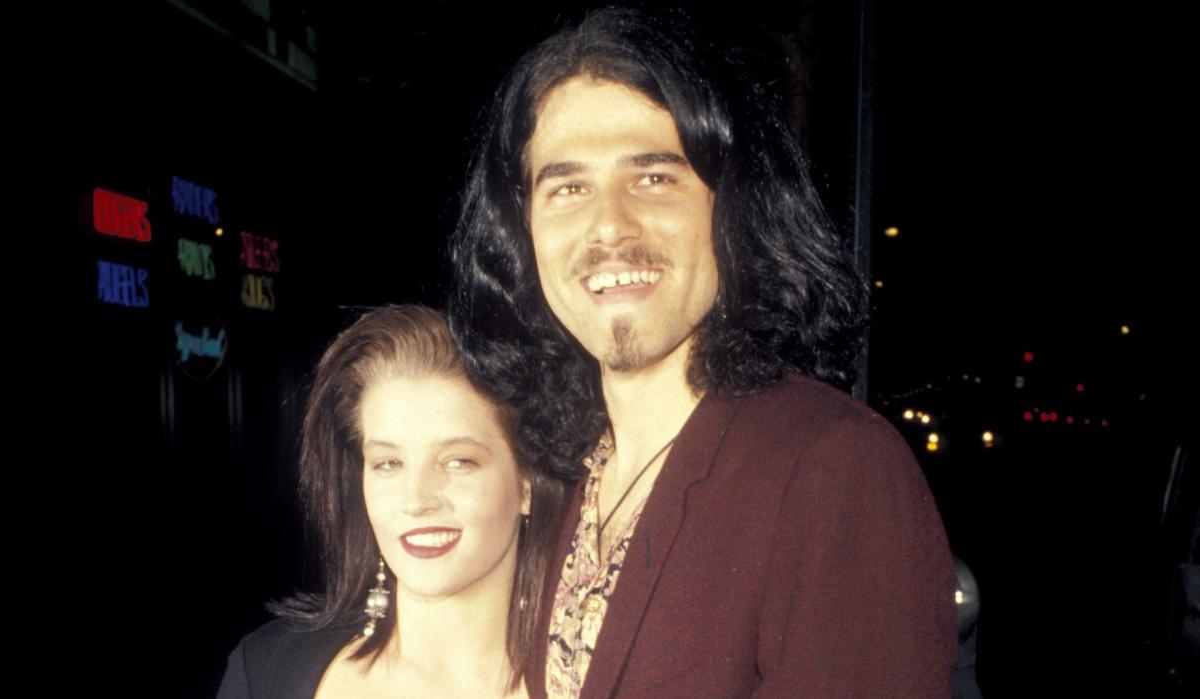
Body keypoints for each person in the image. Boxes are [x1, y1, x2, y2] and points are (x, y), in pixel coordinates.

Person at [449, 8, 956, 697]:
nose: (608, 226)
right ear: (521, 232)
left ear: (735, 208)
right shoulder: (569, 471)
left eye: (654, 177)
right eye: (567, 187)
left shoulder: (834, 469)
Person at [217, 305, 564, 698]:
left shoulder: (605, 675)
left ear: (528, 483)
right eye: (389, 463)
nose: (416, 500)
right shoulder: (265, 670)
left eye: (458, 461)